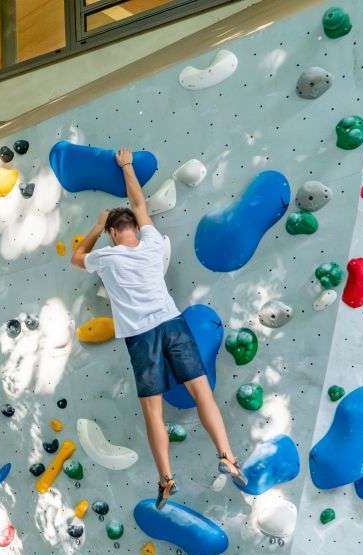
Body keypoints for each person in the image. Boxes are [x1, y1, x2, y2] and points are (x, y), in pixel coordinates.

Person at [70, 148, 245, 508]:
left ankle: (166, 479)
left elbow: (76, 258)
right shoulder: (150, 244)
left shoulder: (106, 255)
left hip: (141, 338)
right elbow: (139, 203)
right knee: (202, 394)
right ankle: (227, 456)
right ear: (133, 229)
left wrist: (94, 226)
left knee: (154, 412)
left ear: (113, 235)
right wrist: (127, 165)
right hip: (172, 325)